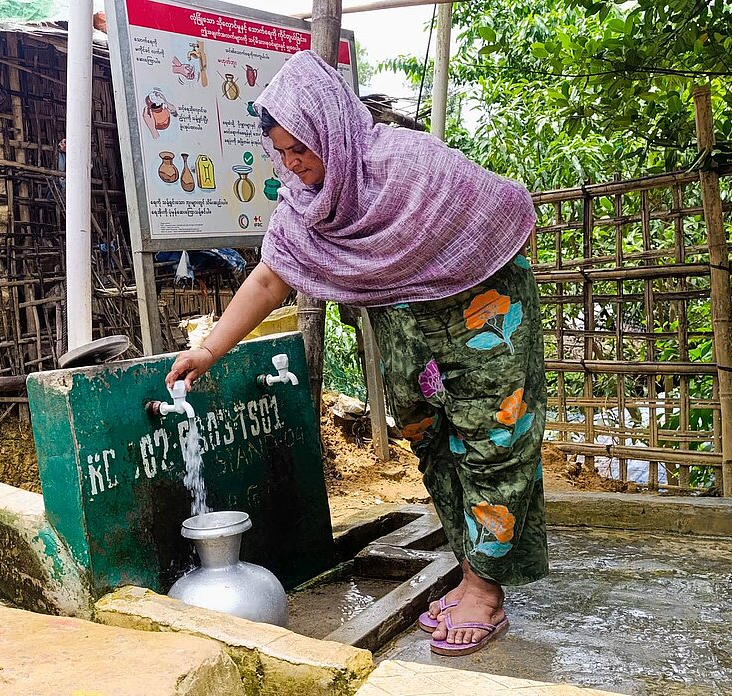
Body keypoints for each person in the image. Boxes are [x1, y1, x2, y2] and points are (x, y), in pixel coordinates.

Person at [165, 50, 546, 657]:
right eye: (282, 153)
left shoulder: (409, 165)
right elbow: (271, 276)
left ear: (333, 133)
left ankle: (484, 587)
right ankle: (474, 561)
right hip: (406, 322)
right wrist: (210, 349)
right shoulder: (304, 205)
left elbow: (500, 210)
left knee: (495, 441)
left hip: (485, 305)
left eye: (303, 151)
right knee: (428, 435)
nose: (294, 168)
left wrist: (448, 263)